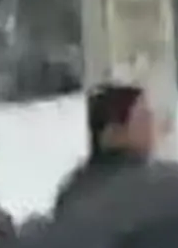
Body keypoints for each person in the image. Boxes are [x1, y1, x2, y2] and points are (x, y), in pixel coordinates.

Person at [53, 82, 158, 213]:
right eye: (143, 118)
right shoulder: (150, 188)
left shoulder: (74, 189)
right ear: (113, 131)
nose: (152, 127)